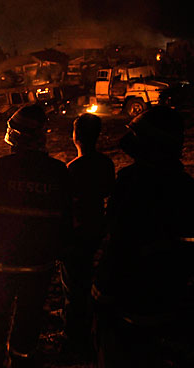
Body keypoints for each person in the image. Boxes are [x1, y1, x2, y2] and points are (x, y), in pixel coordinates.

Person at [91, 106, 194, 368]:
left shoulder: (131, 183)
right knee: (152, 355)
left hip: (127, 294)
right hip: (167, 293)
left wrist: (102, 292)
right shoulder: (189, 188)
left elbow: (119, 243)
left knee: (116, 358)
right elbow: (192, 246)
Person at [0, 104, 73, 368]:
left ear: (13, 136)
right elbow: (65, 217)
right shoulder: (58, 172)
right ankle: (22, 355)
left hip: (2, 257)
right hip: (39, 261)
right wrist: (63, 248)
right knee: (31, 310)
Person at [61, 113, 115, 355]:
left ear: (75, 136)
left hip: (77, 233)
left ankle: (74, 336)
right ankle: (95, 326)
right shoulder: (106, 164)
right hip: (98, 227)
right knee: (95, 280)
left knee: (74, 284)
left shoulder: (71, 169)